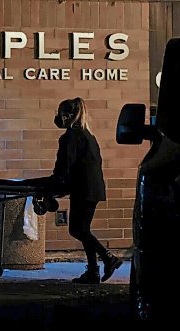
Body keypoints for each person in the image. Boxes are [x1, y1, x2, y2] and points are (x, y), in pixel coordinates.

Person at [47, 97, 123, 284]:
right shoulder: (88, 135)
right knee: (83, 229)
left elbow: (65, 166)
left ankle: (107, 258)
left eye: (61, 114)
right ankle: (93, 271)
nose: (58, 118)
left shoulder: (70, 137)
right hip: (92, 189)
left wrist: (53, 186)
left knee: (77, 230)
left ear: (68, 116)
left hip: (83, 189)